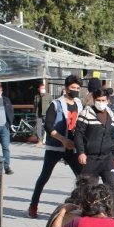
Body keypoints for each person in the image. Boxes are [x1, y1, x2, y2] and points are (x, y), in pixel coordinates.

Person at [28, 76, 83, 218]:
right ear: (65, 88)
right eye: (73, 88)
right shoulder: (56, 104)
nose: (75, 91)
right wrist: (63, 140)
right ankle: (33, 205)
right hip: (56, 146)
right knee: (44, 176)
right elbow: (48, 126)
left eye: (78, 88)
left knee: (82, 178)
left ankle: (81, 206)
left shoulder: (79, 103)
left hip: (73, 147)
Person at [74, 90, 114, 205]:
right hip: (90, 158)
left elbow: (112, 137)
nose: (100, 102)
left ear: (108, 101)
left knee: (111, 188)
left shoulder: (111, 115)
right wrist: (81, 152)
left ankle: (111, 216)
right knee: (87, 188)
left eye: (103, 100)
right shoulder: (86, 113)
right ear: (94, 100)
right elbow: (78, 134)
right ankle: (85, 213)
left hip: (107, 157)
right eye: (98, 100)